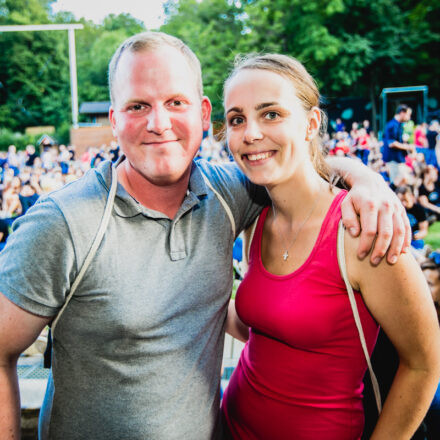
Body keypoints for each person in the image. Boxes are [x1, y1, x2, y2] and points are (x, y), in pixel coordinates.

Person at [0, 32, 410, 440]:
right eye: (138, 105)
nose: (159, 124)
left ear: (202, 114)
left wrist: (367, 179)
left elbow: (292, 165)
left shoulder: (231, 193)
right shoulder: (61, 223)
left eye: (175, 103)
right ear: (114, 120)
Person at [221, 53, 440, 439]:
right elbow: (262, 327)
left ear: (311, 123)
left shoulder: (364, 226)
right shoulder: (254, 219)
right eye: (237, 118)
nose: (250, 133)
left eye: (271, 114)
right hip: (230, 424)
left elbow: (424, 364)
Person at [382, 104, 414, 183]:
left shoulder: (398, 125)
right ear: (402, 113)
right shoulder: (392, 125)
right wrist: (407, 147)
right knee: (396, 184)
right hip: (393, 160)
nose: (409, 117)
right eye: (408, 114)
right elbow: (391, 143)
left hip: (398, 160)